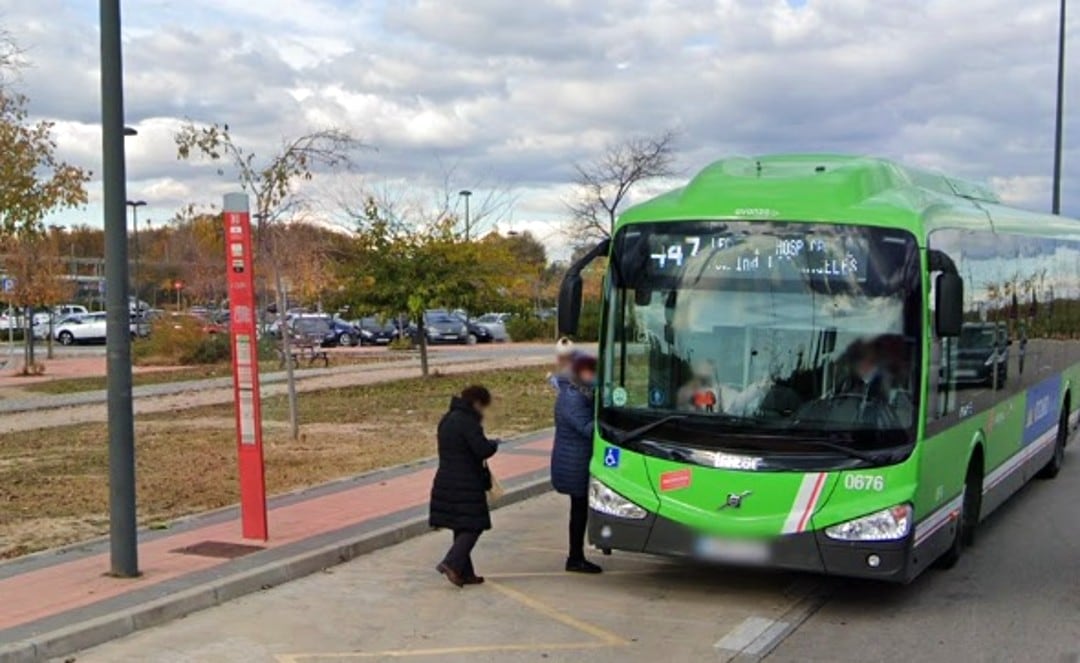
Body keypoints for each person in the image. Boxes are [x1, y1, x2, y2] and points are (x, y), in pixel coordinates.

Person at [430, 385, 500, 588]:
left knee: (460, 525)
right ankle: (451, 563)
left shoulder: (447, 419)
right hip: (466, 481)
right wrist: (493, 444)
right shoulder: (468, 422)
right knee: (474, 525)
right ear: (477, 403)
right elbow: (481, 449)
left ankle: (465, 572)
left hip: (446, 479)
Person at [551, 354, 603, 574]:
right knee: (579, 510)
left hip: (579, 459)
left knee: (581, 508)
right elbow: (587, 428)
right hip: (574, 463)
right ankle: (575, 557)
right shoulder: (572, 397)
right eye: (593, 372)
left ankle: (577, 554)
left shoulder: (581, 392)